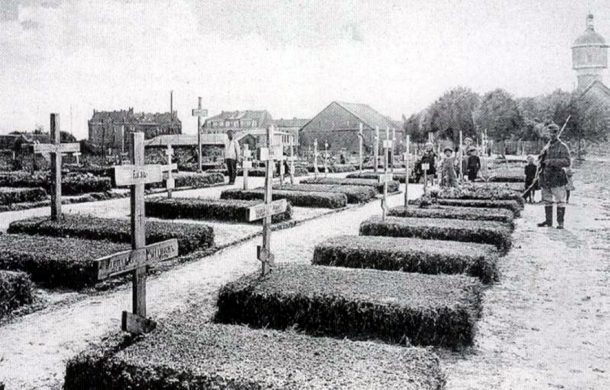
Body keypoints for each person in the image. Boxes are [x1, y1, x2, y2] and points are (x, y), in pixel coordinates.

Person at [537, 123, 571, 229]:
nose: (552, 134)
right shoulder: (547, 146)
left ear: (557, 133)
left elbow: (567, 162)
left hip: (557, 177)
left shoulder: (563, 146)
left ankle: (560, 223)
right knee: (547, 199)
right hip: (545, 176)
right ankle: (548, 221)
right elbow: (541, 159)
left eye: (554, 132)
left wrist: (551, 161)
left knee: (560, 200)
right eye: (550, 132)